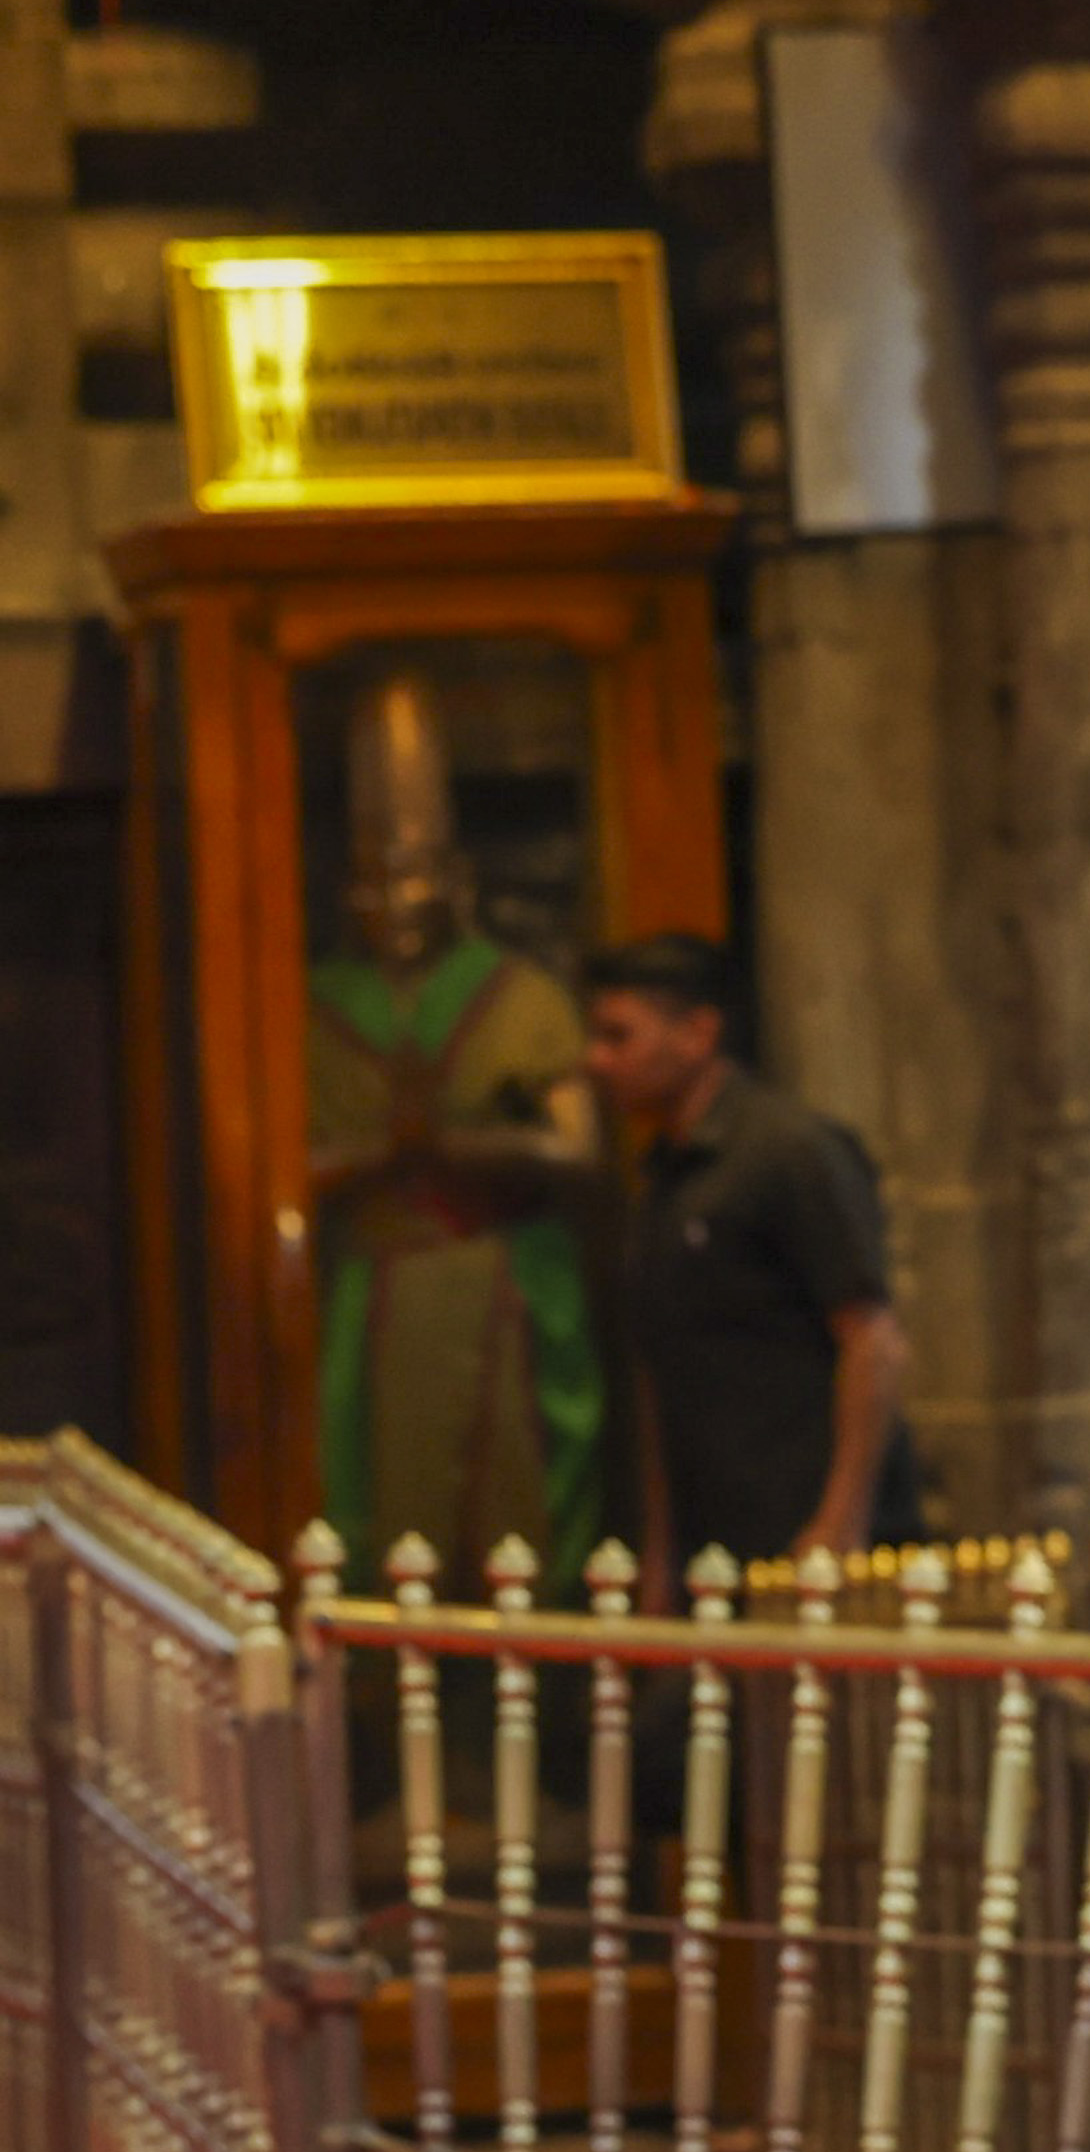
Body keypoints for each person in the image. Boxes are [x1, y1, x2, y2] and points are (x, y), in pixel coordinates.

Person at [308, 664, 606, 1592]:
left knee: (509, 1505)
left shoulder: (518, 997)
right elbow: (283, 1165)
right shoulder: (315, 1004)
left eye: (415, 875)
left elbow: (578, 1147)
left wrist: (458, 1148)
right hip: (372, 1283)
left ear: (456, 878)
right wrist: (368, 1158)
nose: (395, 901)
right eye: (373, 878)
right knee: (377, 1507)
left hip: (495, 1280)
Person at [579, 934, 917, 1594]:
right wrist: (660, 1552)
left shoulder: (787, 1152)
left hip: (803, 1535)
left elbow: (870, 1339)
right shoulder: (664, 1176)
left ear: (697, 1033)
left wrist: (841, 1521)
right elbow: (661, 1373)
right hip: (715, 1546)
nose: (597, 1061)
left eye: (619, 1037)